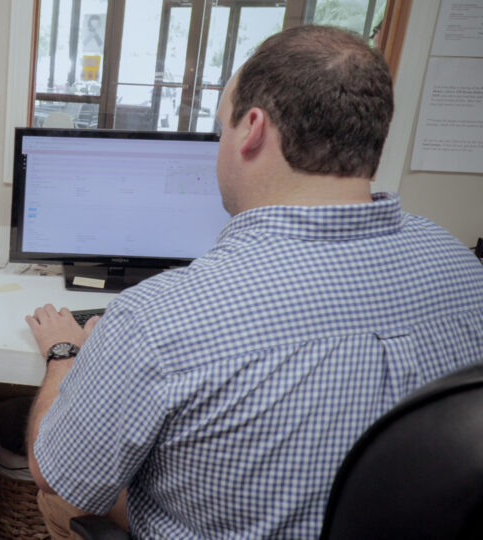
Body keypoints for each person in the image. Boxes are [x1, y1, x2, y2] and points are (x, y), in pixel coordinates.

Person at [25, 24, 483, 539]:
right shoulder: (463, 270)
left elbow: (56, 471)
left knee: (60, 497)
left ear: (253, 129)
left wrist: (64, 354)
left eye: (223, 126)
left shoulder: (158, 317)